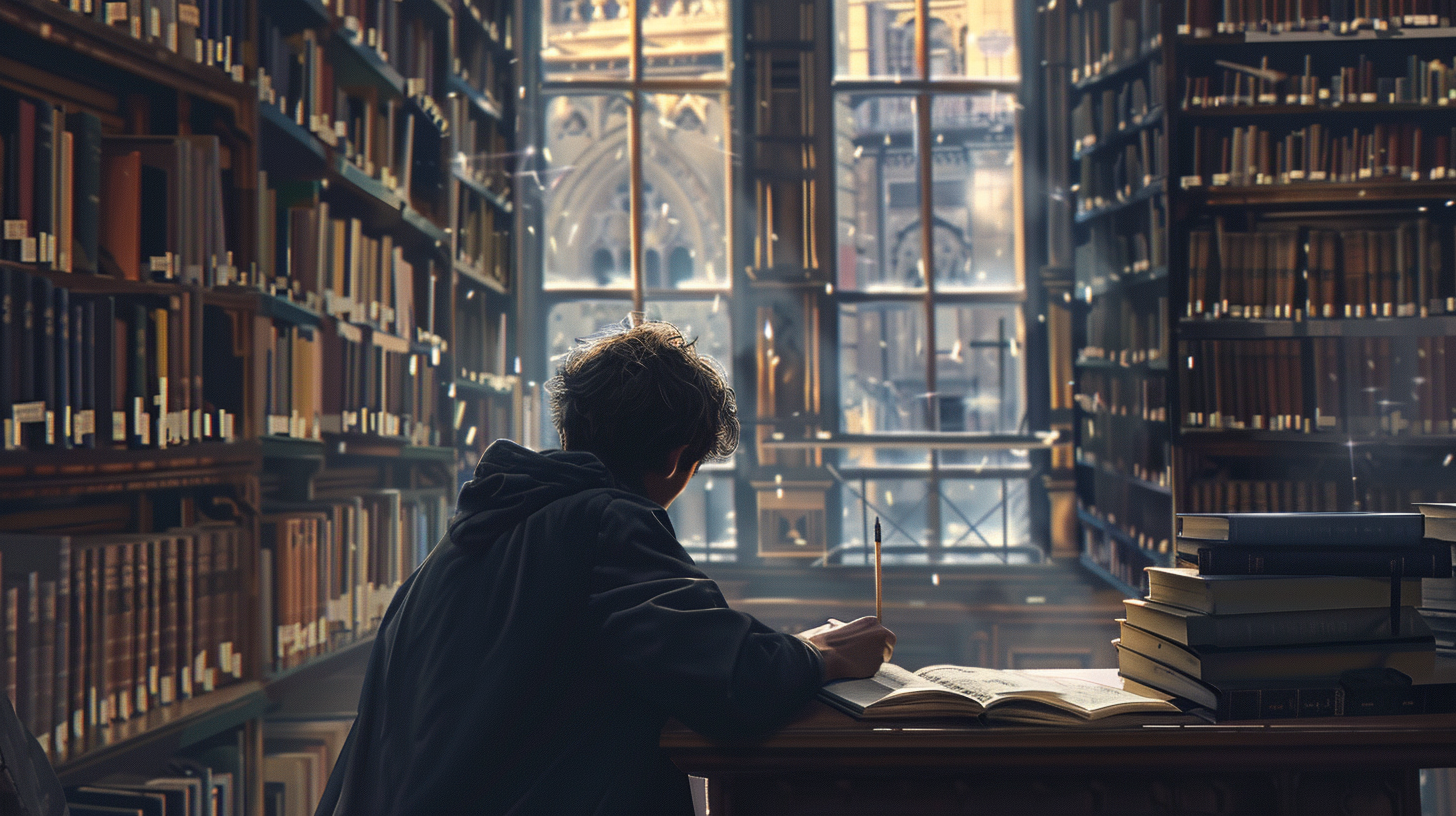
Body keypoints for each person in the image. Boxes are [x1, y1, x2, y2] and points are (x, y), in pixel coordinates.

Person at [314, 319, 896, 816]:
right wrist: (821, 656)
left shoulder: (465, 539)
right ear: (676, 459)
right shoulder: (606, 522)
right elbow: (728, 681)